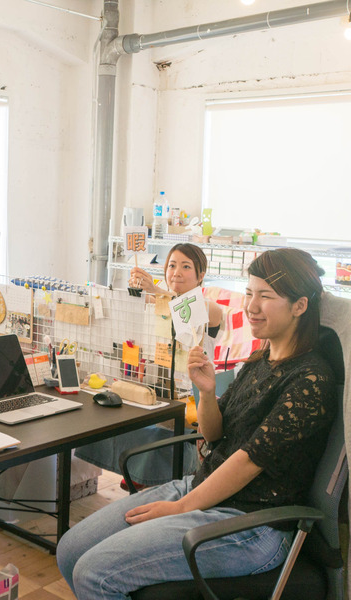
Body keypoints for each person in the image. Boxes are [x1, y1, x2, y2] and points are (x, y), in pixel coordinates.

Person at [57, 248, 335, 599]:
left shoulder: (310, 380)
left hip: (253, 523)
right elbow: (214, 434)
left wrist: (181, 508)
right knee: (69, 550)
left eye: (265, 296)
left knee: (94, 573)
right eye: (249, 293)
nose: (251, 306)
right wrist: (206, 392)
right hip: (202, 488)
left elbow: (247, 461)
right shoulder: (259, 360)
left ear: (299, 306)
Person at [75, 243, 222, 489]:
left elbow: (186, 307)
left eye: (186, 267)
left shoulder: (211, 309)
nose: (177, 272)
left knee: (156, 431)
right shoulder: (159, 302)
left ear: (201, 275)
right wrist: (140, 290)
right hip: (158, 388)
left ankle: (148, 479)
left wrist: (156, 290)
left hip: (193, 399)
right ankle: (135, 474)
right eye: (172, 265)